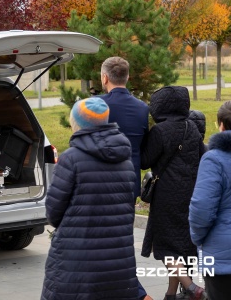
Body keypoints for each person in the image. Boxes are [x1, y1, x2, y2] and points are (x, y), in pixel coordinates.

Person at [42, 97, 138, 300]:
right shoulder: (126, 161)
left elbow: (53, 212)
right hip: (118, 260)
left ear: (76, 124)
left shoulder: (71, 159)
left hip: (77, 262)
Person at [141, 86, 207, 300]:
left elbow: (145, 161)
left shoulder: (160, 131)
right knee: (181, 247)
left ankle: (192, 288)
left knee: (165, 247)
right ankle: (171, 294)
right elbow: (201, 157)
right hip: (189, 193)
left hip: (166, 196)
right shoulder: (192, 128)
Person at [98, 56, 151, 300]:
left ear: (105, 77)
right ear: (127, 77)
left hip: (101, 183)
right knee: (123, 239)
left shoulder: (96, 105)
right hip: (129, 183)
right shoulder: (142, 108)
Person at [189, 101, 231, 300]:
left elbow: (201, 210)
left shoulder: (214, 159)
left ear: (220, 124)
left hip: (222, 260)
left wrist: (198, 238)